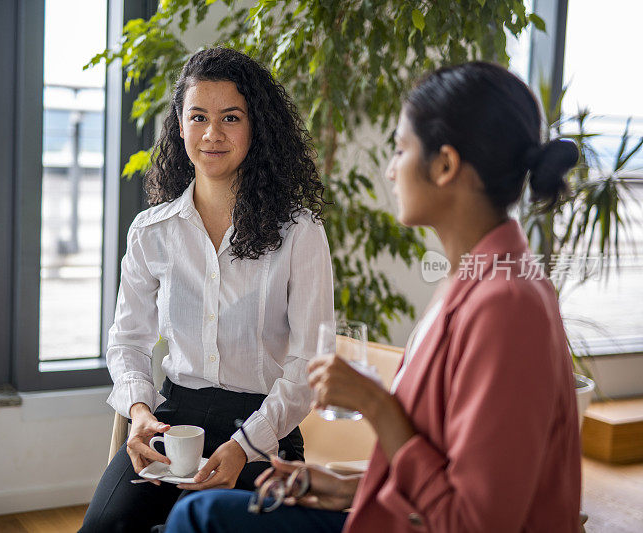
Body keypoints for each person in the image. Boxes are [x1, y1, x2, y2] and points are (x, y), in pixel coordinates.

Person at [164, 61, 582, 532]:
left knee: (197, 519)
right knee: (196, 516)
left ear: (444, 165)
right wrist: (345, 488)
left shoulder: (509, 306)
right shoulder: (471, 281)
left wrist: (377, 404)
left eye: (401, 149)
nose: (388, 170)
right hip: (397, 516)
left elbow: (474, 522)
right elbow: (450, 471)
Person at [79, 47, 334, 533]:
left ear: (255, 127)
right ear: (179, 125)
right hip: (174, 423)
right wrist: (138, 412)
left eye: (230, 118)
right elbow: (128, 341)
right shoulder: (151, 231)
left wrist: (244, 446)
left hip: (264, 431)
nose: (212, 134)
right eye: (198, 117)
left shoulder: (300, 233)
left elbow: (308, 366)